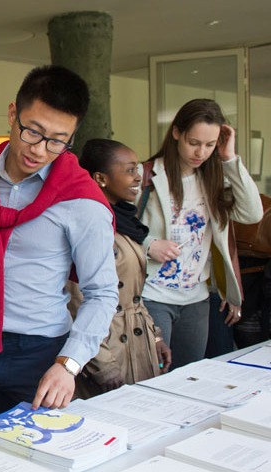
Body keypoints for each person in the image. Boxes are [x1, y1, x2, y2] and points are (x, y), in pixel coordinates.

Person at [0, 65, 118, 439]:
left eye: (57, 141)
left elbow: (102, 293)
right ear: (13, 113)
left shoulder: (82, 202)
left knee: (36, 456)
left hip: (43, 355)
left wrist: (69, 365)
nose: (39, 150)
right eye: (32, 131)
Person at [138, 98, 262, 370]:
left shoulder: (215, 180)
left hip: (196, 299)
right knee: (153, 375)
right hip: (151, 296)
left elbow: (252, 214)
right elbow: (115, 227)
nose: (201, 152)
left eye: (210, 144)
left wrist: (229, 159)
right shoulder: (145, 176)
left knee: (189, 377)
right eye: (194, 142)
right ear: (176, 132)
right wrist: (149, 245)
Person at [75, 138, 172, 398]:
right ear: (101, 178)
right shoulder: (90, 224)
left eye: (137, 169)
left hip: (135, 345)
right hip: (107, 350)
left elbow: (133, 296)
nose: (138, 177)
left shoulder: (126, 222)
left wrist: (155, 338)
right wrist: (103, 366)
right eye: (129, 170)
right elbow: (76, 301)